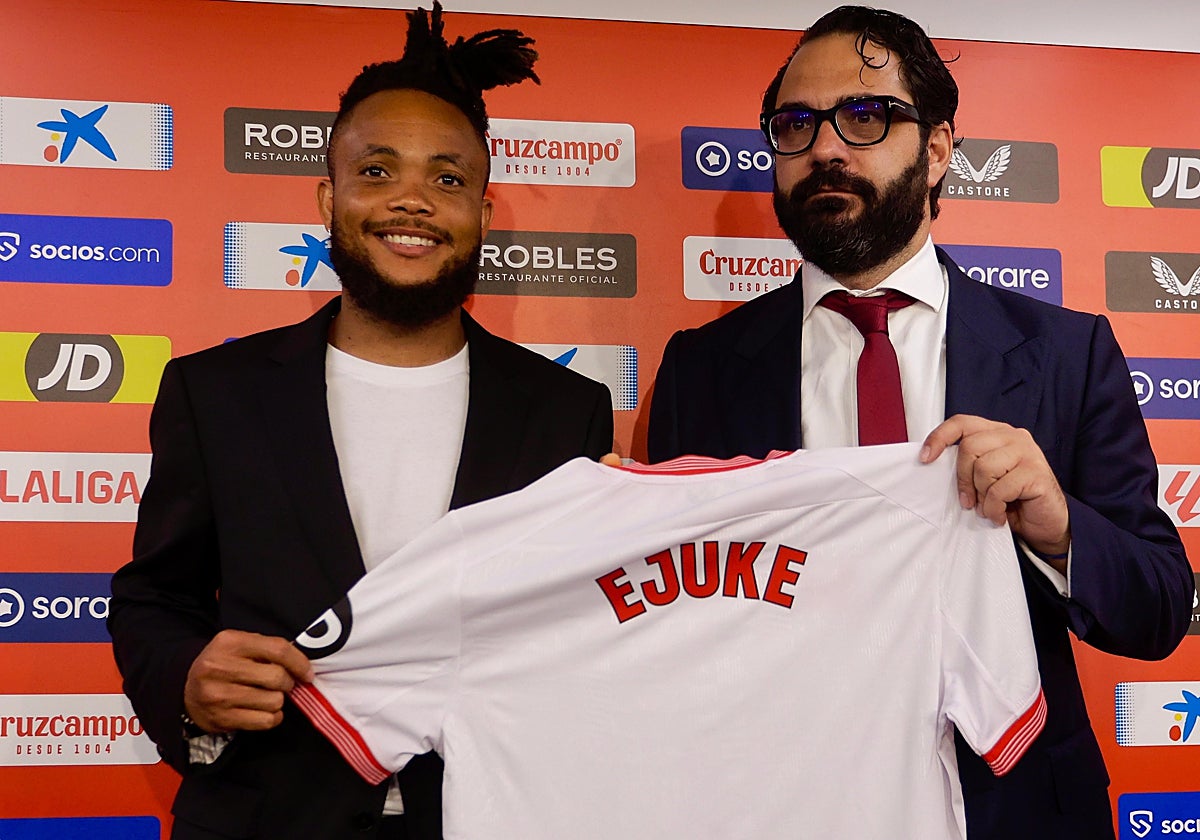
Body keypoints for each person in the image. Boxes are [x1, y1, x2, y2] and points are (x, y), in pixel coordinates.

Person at [647, 6, 1192, 839]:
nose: (825, 148)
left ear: (937, 150)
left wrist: (1056, 527)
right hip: (777, 805)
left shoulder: (1066, 352)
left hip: (1014, 811)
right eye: (795, 125)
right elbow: (675, 629)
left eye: (865, 117)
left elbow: (1159, 610)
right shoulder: (702, 368)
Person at [108, 4, 613, 838]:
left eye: (448, 179)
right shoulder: (216, 391)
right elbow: (154, 595)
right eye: (377, 172)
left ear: (484, 213)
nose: (412, 201)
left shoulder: (567, 413)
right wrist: (188, 679)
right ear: (327, 196)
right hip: (266, 816)